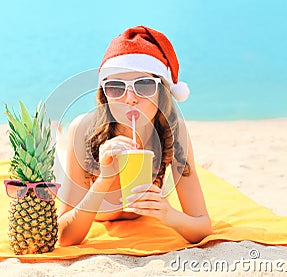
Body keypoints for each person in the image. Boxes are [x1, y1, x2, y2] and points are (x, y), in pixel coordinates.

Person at [57, 25, 212, 246]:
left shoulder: (173, 131)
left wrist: (170, 215)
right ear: (104, 94)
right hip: (84, 165)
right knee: (58, 169)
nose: (130, 98)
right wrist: (104, 179)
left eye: (144, 84)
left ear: (162, 92)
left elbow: (203, 226)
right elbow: (65, 237)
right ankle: (57, 133)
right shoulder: (83, 130)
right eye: (115, 87)